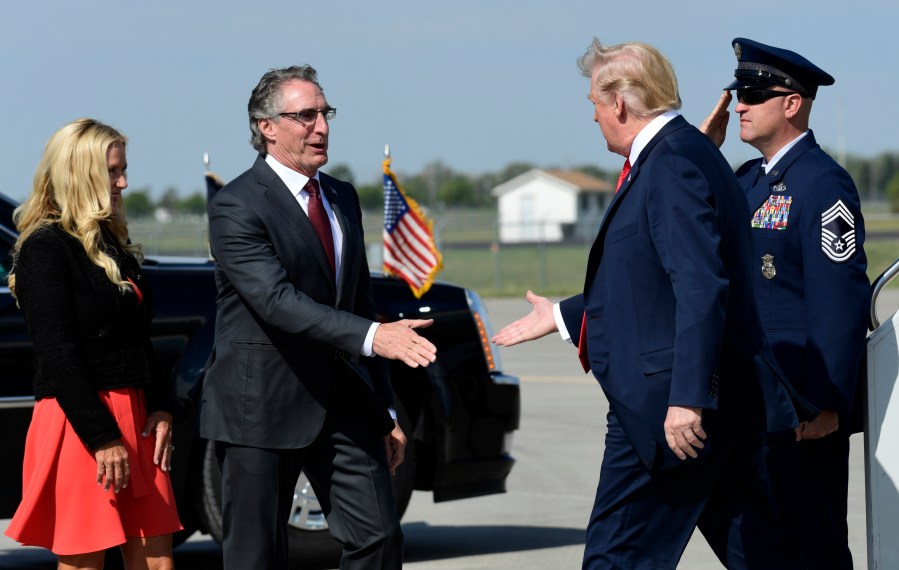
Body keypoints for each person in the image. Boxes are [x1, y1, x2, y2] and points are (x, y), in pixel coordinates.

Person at [492, 38, 813, 569]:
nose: (593, 119)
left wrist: (686, 399)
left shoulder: (670, 165)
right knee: (761, 555)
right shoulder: (689, 155)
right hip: (713, 405)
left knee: (614, 559)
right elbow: (649, 281)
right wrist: (562, 315)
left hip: (670, 415)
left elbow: (700, 284)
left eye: (594, 104)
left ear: (618, 102)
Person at [201, 65, 437, 570]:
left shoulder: (341, 196)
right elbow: (277, 301)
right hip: (259, 406)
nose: (322, 127)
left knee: (378, 536)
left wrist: (386, 411)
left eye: (324, 113)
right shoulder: (236, 205)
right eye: (304, 116)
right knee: (255, 555)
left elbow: (357, 304)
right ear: (267, 126)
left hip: (343, 402)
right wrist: (375, 338)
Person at [701, 38, 870, 569]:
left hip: (800, 408)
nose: (740, 105)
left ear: (792, 103)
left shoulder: (823, 183)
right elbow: (693, 236)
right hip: (751, 403)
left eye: (752, 93)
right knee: (757, 542)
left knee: (812, 543)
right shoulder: (746, 180)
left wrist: (825, 402)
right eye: (739, 93)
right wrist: (702, 158)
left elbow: (838, 302)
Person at [4, 119, 181, 570]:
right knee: (85, 560)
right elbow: (58, 353)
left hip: (136, 414)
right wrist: (102, 437)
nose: (123, 182)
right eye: (114, 171)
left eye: (123, 169)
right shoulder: (45, 248)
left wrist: (159, 406)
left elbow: (139, 337)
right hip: (81, 422)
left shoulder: (108, 242)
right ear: (80, 173)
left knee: (157, 560)